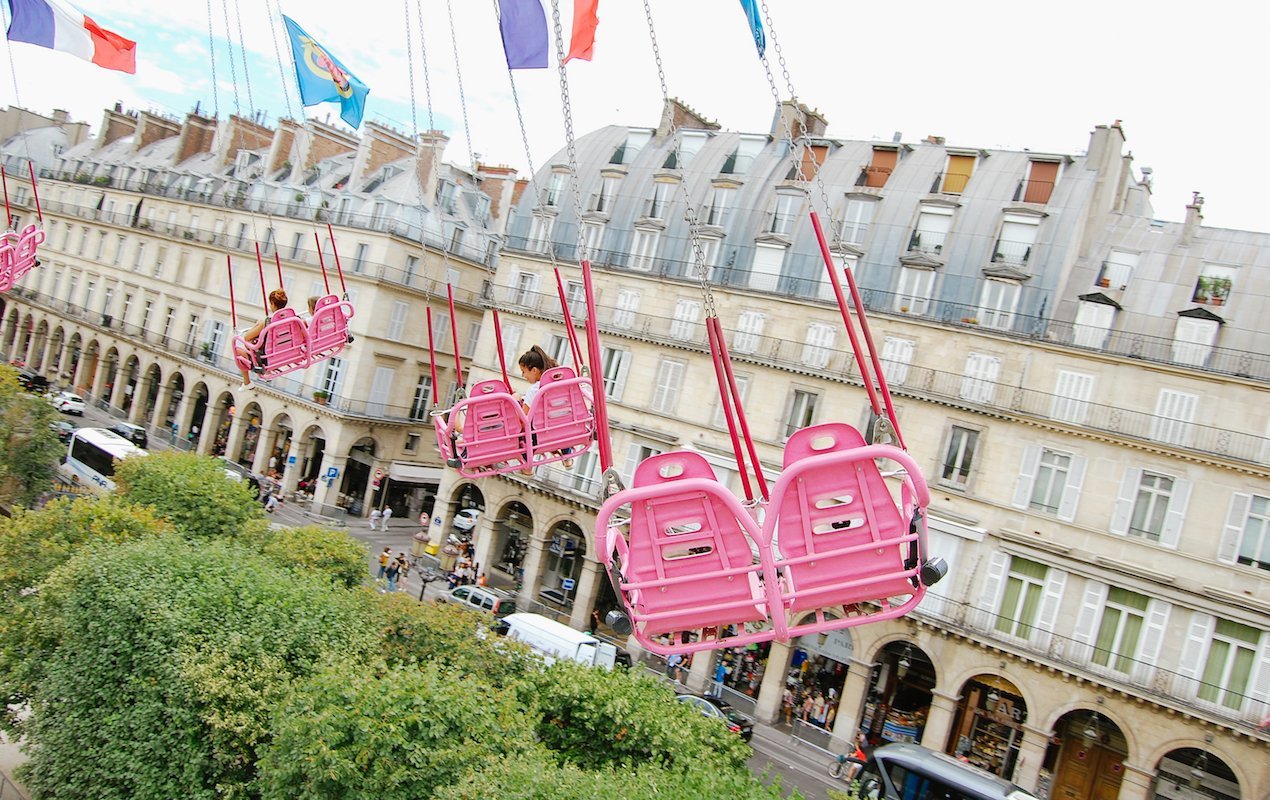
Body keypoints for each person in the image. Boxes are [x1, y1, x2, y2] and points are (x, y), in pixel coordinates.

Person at [235, 288, 288, 391]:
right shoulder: (292, 319)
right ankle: (268, 371)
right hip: (282, 354)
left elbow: (246, 337)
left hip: (265, 358)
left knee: (237, 350)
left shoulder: (267, 322)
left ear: (272, 303)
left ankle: (247, 382)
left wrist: (258, 325)